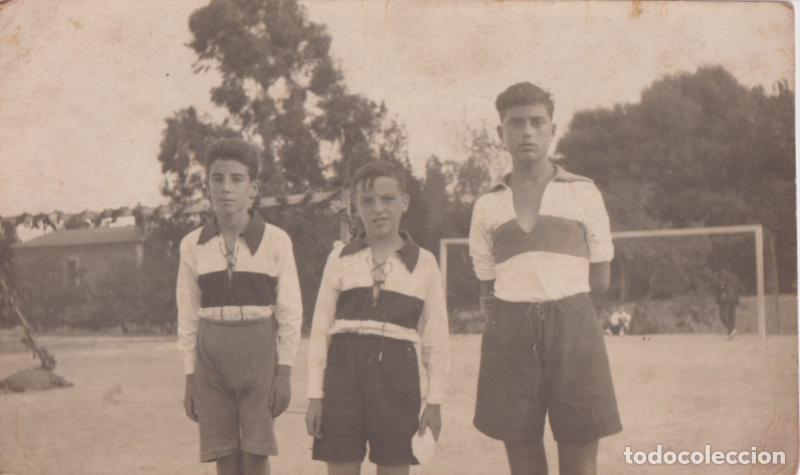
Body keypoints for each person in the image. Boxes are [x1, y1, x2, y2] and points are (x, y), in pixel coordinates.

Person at [469, 82, 622, 475]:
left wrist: (562, 312)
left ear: (553, 129)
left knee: (579, 456)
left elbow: (600, 278)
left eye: (537, 122)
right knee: (521, 454)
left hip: (573, 326)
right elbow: (488, 285)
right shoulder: (488, 204)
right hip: (510, 332)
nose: (527, 132)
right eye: (515, 123)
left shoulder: (583, 193)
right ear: (500, 132)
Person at [306, 160, 450, 475]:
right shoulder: (340, 258)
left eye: (387, 199)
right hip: (343, 374)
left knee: (394, 466)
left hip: (397, 376)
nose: (378, 209)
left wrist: (435, 401)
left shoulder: (424, 263)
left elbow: (436, 340)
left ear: (405, 202)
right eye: (367, 200)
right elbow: (320, 330)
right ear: (355, 206)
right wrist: (315, 395)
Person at [176, 138, 302, 475]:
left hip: (258, 352)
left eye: (236, 179)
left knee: (257, 451)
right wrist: (190, 376)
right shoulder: (192, 245)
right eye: (217, 178)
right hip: (211, 356)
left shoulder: (276, 241)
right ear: (208, 185)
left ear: (253, 188)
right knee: (224, 453)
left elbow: (290, 311)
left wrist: (285, 372)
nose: (226, 188)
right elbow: (187, 315)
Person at [715, 266, 740, 339]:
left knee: (722, 315)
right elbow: (737, 288)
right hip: (734, 298)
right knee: (731, 316)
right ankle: (731, 333)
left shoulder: (723, 277)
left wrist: (722, 293)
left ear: (724, 269)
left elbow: (721, 286)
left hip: (725, 298)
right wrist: (737, 299)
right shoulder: (735, 278)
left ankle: (731, 330)